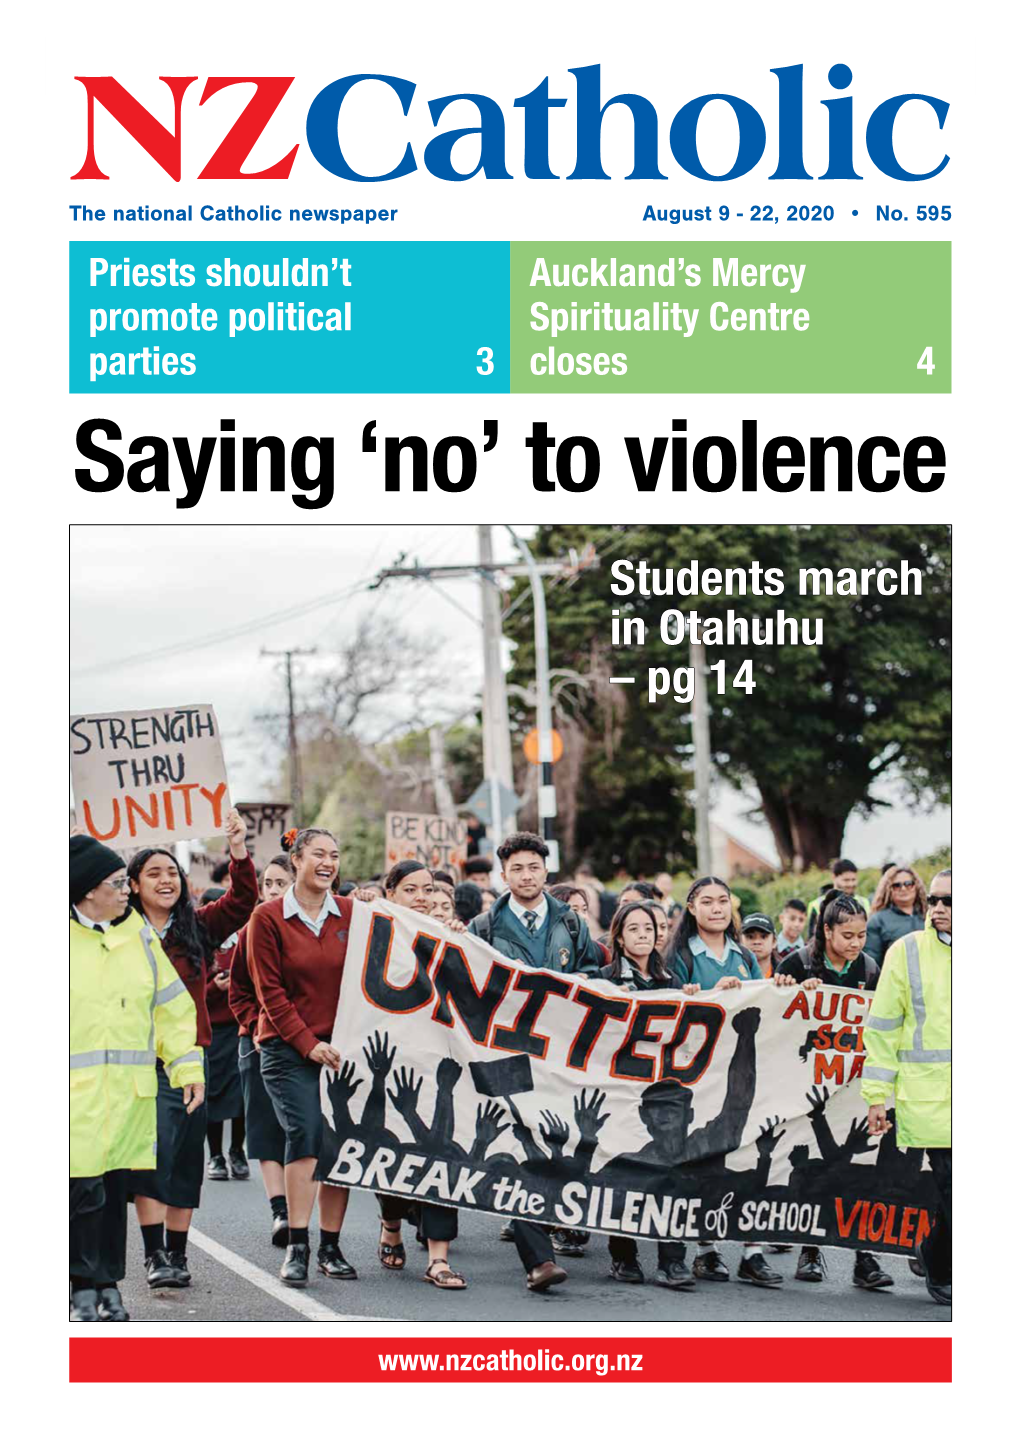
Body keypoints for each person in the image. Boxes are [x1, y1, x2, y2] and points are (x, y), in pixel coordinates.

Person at [70, 835, 205, 1322]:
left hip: (128, 1096)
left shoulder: (139, 936)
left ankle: (107, 1285)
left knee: (108, 1194)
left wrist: (186, 1067)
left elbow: (171, 1007)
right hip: (71, 1099)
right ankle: (81, 1284)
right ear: (86, 891)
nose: (125, 891)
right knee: (78, 1191)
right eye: (114, 883)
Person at [127, 809, 258, 1290]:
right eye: (153, 873)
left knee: (184, 1158)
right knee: (152, 1156)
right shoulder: (120, 934)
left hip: (190, 1059)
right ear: (134, 885)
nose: (166, 881)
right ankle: (153, 1254)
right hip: (139, 1061)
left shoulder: (198, 928)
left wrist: (238, 847)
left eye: (172, 873)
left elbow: (244, 899)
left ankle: (177, 1255)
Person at [247, 828, 359, 1287]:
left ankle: (331, 1245)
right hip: (286, 1048)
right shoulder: (267, 918)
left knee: (341, 1142)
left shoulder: (354, 914)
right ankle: (298, 1244)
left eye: (335, 854)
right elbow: (268, 992)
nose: (328, 862)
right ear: (296, 860)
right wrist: (305, 1042)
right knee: (307, 1132)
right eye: (318, 854)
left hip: (343, 1049)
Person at [665, 876, 782, 1288]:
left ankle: (752, 1251)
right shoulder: (679, 955)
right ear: (691, 907)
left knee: (748, 1155)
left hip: (741, 1068)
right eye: (707, 901)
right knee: (704, 1159)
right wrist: (711, 994)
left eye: (723, 901)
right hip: (699, 1071)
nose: (716, 908)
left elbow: (763, 1002)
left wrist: (779, 986)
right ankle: (706, 1248)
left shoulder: (744, 955)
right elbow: (669, 1005)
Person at [776, 889, 894, 1291]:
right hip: (808, 1089)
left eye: (861, 935)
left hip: (854, 1085)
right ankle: (809, 1250)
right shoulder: (798, 961)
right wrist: (786, 987)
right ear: (826, 931)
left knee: (860, 1168)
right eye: (847, 935)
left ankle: (865, 1257)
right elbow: (774, 1010)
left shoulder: (870, 968)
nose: (856, 943)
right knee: (811, 1167)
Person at [374, 860, 466, 1289]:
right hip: (391, 1061)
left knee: (443, 1152)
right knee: (393, 1152)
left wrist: (464, 945)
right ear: (390, 893)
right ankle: (391, 1220)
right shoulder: (375, 934)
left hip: (443, 1064)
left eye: (428, 889)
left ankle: (438, 1257)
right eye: (411, 890)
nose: (422, 898)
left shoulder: (453, 938)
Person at [862, 869, 951, 1306]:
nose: (937, 909)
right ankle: (941, 1266)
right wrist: (877, 1096)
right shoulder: (907, 951)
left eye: (948, 902)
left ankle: (934, 1250)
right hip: (930, 1098)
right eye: (933, 900)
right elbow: (882, 1028)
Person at [599, 902, 696, 1292]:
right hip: (621, 1091)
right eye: (633, 928)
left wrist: (693, 998)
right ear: (619, 936)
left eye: (650, 927)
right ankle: (623, 1256)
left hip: (665, 1094)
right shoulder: (603, 978)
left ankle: (672, 1260)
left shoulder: (672, 979)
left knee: (670, 1173)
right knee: (624, 1171)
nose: (643, 934)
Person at [228, 854, 293, 1247]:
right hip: (259, 1042)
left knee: (303, 1132)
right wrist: (255, 1027)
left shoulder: (314, 927)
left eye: (280, 883)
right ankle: (280, 1211)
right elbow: (238, 990)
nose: (272, 891)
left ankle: (302, 1209)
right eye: (267, 883)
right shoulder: (252, 928)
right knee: (267, 1130)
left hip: (308, 1043)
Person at [468, 832, 604, 975]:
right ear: (504, 877)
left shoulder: (572, 923)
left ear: (545, 873)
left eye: (534, 868)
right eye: (517, 869)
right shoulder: (482, 928)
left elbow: (591, 974)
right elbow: (471, 981)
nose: (526, 877)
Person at [203, 886, 249, 1183]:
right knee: (213, 1096)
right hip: (211, 1031)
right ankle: (216, 1155)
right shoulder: (199, 945)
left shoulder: (243, 940)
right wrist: (214, 988)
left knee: (241, 1096)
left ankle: (237, 1151)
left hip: (239, 1028)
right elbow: (189, 990)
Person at [866, 865, 927, 968]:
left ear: (916, 886)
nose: (903, 889)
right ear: (889, 889)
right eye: (897, 885)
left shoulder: (930, 917)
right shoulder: (877, 920)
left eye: (908, 884)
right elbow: (872, 964)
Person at [805, 859, 868, 941]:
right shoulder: (816, 904)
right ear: (834, 877)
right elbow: (812, 937)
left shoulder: (863, 902)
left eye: (853, 880)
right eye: (846, 880)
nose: (851, 884)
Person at [741, 913, 779, 978]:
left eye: (763, 937)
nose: (756, 942)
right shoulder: (733, 972)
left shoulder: (784, 973)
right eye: (750, 937)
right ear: (741, 941)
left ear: (774, 941)